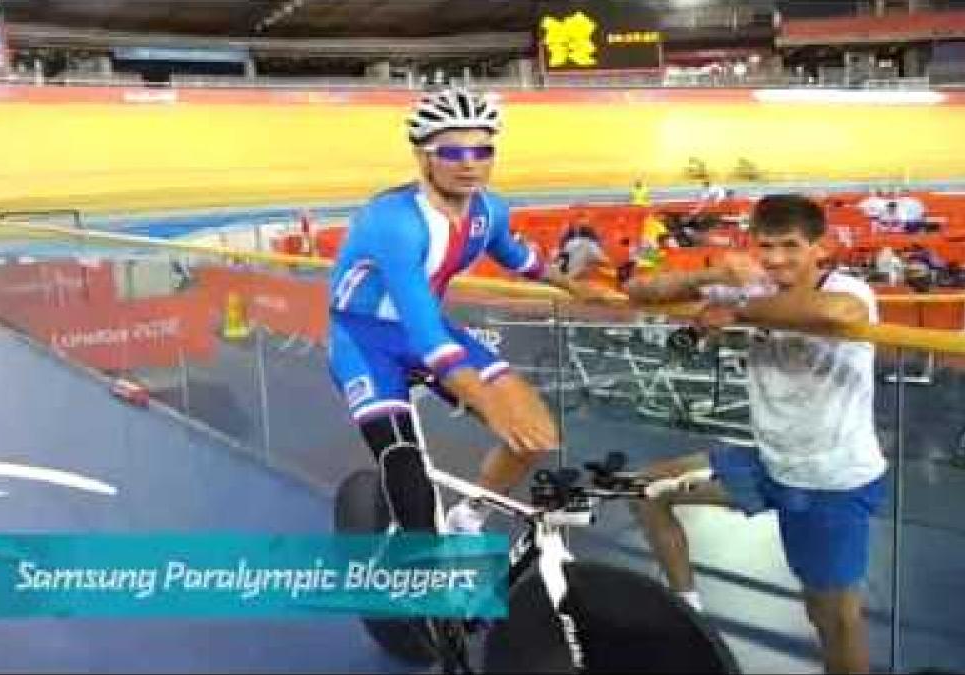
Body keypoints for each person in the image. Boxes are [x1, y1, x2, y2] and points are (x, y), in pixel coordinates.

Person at [622, 194, 888, 675]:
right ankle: (689, 614)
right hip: (768, 463)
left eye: (790, 246)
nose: (777, 259)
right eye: (767, 246)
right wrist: (714, 277)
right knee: (645, 489)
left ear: (818, 248)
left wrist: (741, 311)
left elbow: (839, 315)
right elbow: (639, 289)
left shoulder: (848, 288)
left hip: (828, 481)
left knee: (833, 620)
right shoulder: (751, 287)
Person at [327, 87, 610, 537]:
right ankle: (419, 578)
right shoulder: (393, 220)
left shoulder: (490, 209)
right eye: (452, 151)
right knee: (406, 471)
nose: (469, 162)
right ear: (424, 158)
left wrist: (574, 286)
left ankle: (469, 516)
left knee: (537, 437)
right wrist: (488, 403)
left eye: (482, 150)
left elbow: (520, 258)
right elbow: (423, 330)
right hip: (366, 339)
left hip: (427, 330)